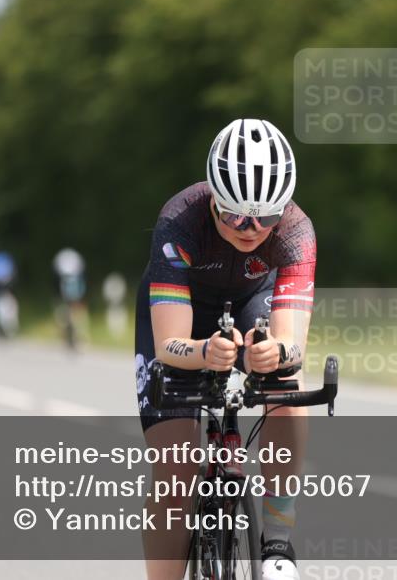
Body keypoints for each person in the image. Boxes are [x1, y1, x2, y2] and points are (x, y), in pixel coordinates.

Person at [135, 119, 315, 580]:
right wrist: (205, 353)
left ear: (284, 208)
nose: (251, 229)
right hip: (184, 314)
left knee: (287, 395)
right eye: (235, 214)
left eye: (265, 216)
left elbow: (293, 344)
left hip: (254, 298)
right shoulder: (180, 219)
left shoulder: (296, 231)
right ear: (213, 197)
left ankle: (277, 541)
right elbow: (170, 344)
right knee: (175, 471)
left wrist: (276, 355)